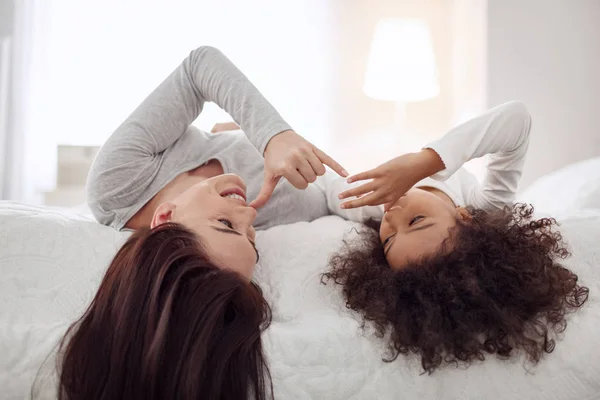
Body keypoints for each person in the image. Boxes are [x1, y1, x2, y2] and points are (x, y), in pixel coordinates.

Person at [59, 45, 348, 400]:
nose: (249, 214)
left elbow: (200, 66)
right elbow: (338, 192)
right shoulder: (286, 204)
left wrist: (272, 135)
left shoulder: (118, 183)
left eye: (226, 223)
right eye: (252, 238)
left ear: (165, 218)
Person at [321, 101, 589, 373]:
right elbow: (516, 120)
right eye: (416, 221)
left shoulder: (374, 207)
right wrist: (423, 162)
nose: (392, 217)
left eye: (388, 240)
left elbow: (329, 189)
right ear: (463, 218)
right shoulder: (484, 207)